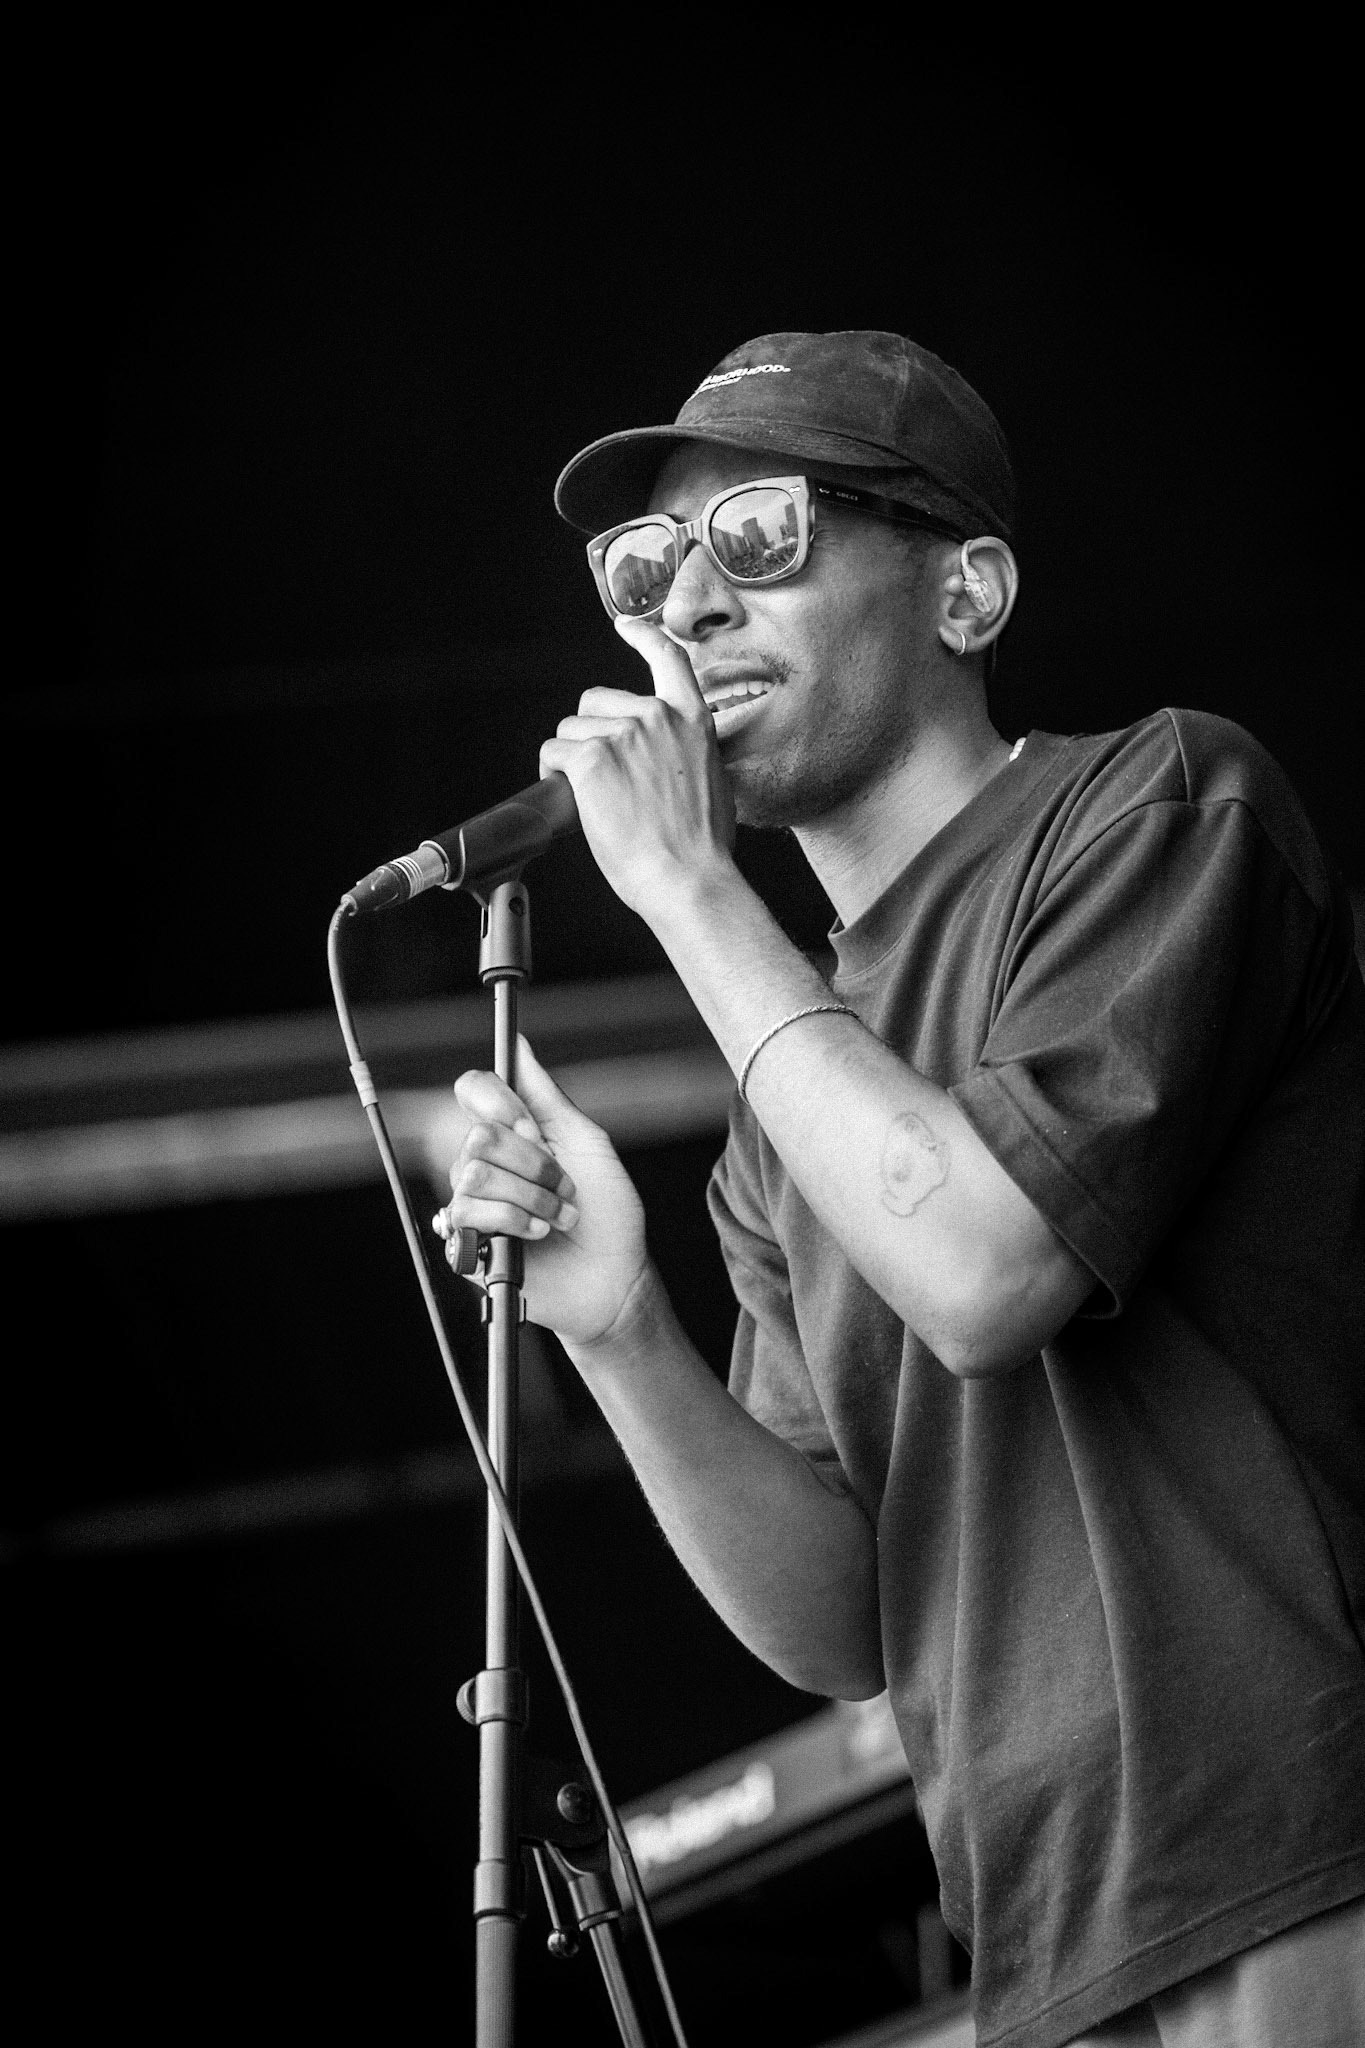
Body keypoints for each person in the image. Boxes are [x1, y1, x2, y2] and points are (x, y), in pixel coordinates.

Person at [432, 331, 1365, 2047]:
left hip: (1297, 1838)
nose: (688, 609)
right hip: (1030, 1923)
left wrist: (684, 892)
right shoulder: (780, 1113)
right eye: (648, 569)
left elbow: (986, 1268)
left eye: (761, 538)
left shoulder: (1157, 803)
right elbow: (843, 1624)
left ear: (965, 593)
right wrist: (621, 1325)